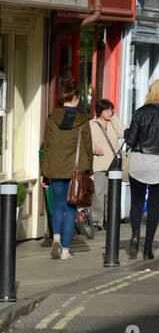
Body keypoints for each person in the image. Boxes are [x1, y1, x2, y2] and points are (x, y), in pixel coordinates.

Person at [124, 80, 159, 260]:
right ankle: (148, 247)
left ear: (150, 92)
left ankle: (134, 236)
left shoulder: (140, 113)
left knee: (136, 203)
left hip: (139, 162)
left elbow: (131, 141)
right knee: (154, 207)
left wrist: (127, 132)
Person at [41, 78, 93, 260]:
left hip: (55, 168)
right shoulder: (82, 120)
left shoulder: (51, 118)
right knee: (71, 208)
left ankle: (56, 237)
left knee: (58, 205)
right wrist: (90, 171)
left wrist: (44, 173)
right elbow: (87, 146)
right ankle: (65, 250)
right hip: (75, 170)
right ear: (76, 98)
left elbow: (46, 146)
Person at [88, 98, 126, 230]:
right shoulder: (91, 124)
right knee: (98, 194)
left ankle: (111, 220)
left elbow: (124, 132)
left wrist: (114, 118)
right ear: (100, 111)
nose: (110, 113)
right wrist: (93, 148)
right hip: (98, 164)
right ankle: (97, 221)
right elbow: (85, 143)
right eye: (108, 111)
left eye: (112, 110)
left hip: (114, 165)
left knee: (112, 194)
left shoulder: (113, 124)